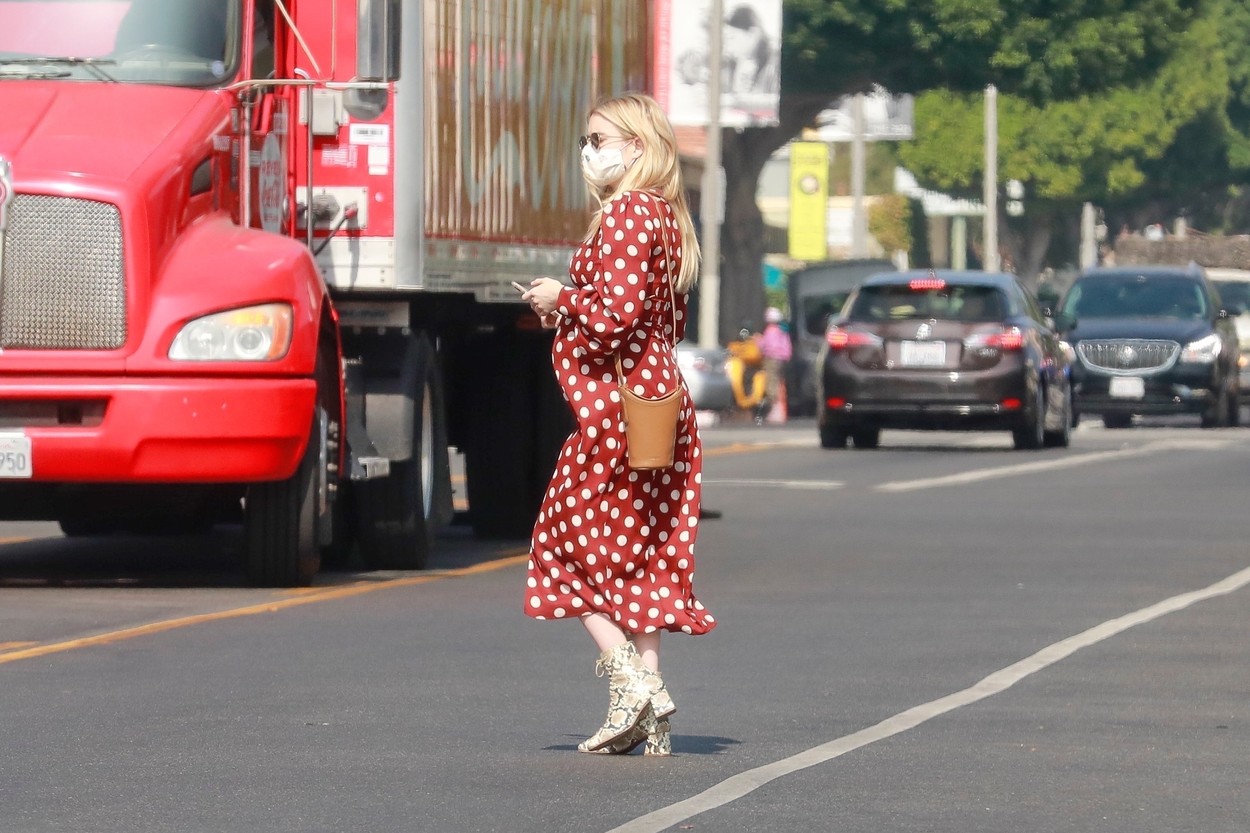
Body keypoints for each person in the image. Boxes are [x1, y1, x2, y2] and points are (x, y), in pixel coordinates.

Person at [520, 92, 716, 757]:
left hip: (618, 405)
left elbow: (617, 316)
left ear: (637, 146)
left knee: (561, 544)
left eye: (600, 138)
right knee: (641, 549)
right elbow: (663, 321)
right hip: (658, 398)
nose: (589, 150)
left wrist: (561, 298)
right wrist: (580, 310)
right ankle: (650, 708)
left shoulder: (630, 212)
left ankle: (630, 680)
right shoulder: (664, 216)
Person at [756, 306, 791, 423]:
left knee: (771, 383)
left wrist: (757, 340)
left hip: (771, 359)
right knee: (779, 382)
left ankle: (774, 409)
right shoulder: (782, 332)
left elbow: (763, 346)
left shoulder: (769, 331)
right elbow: (787, 347)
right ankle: (779, 409)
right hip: (781, 360)